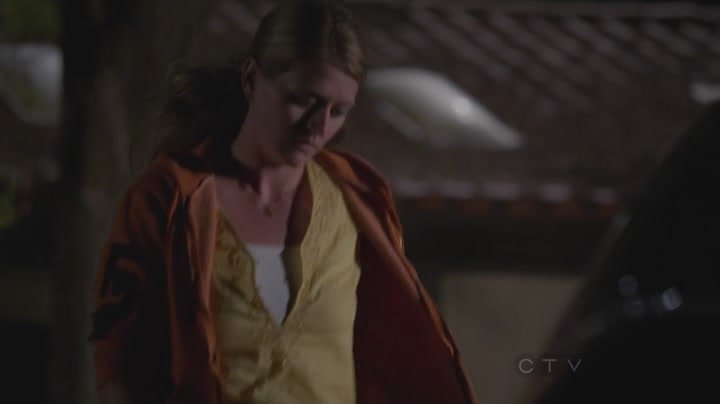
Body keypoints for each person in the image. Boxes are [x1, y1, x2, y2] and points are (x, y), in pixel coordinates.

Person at [89, 0, 477, 403]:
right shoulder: (171, 196)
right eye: (304, 100)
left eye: (338, 111)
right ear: (252, 80)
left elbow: (396, 348)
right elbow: (117, 357)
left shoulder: (356, 197)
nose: (318, 126)